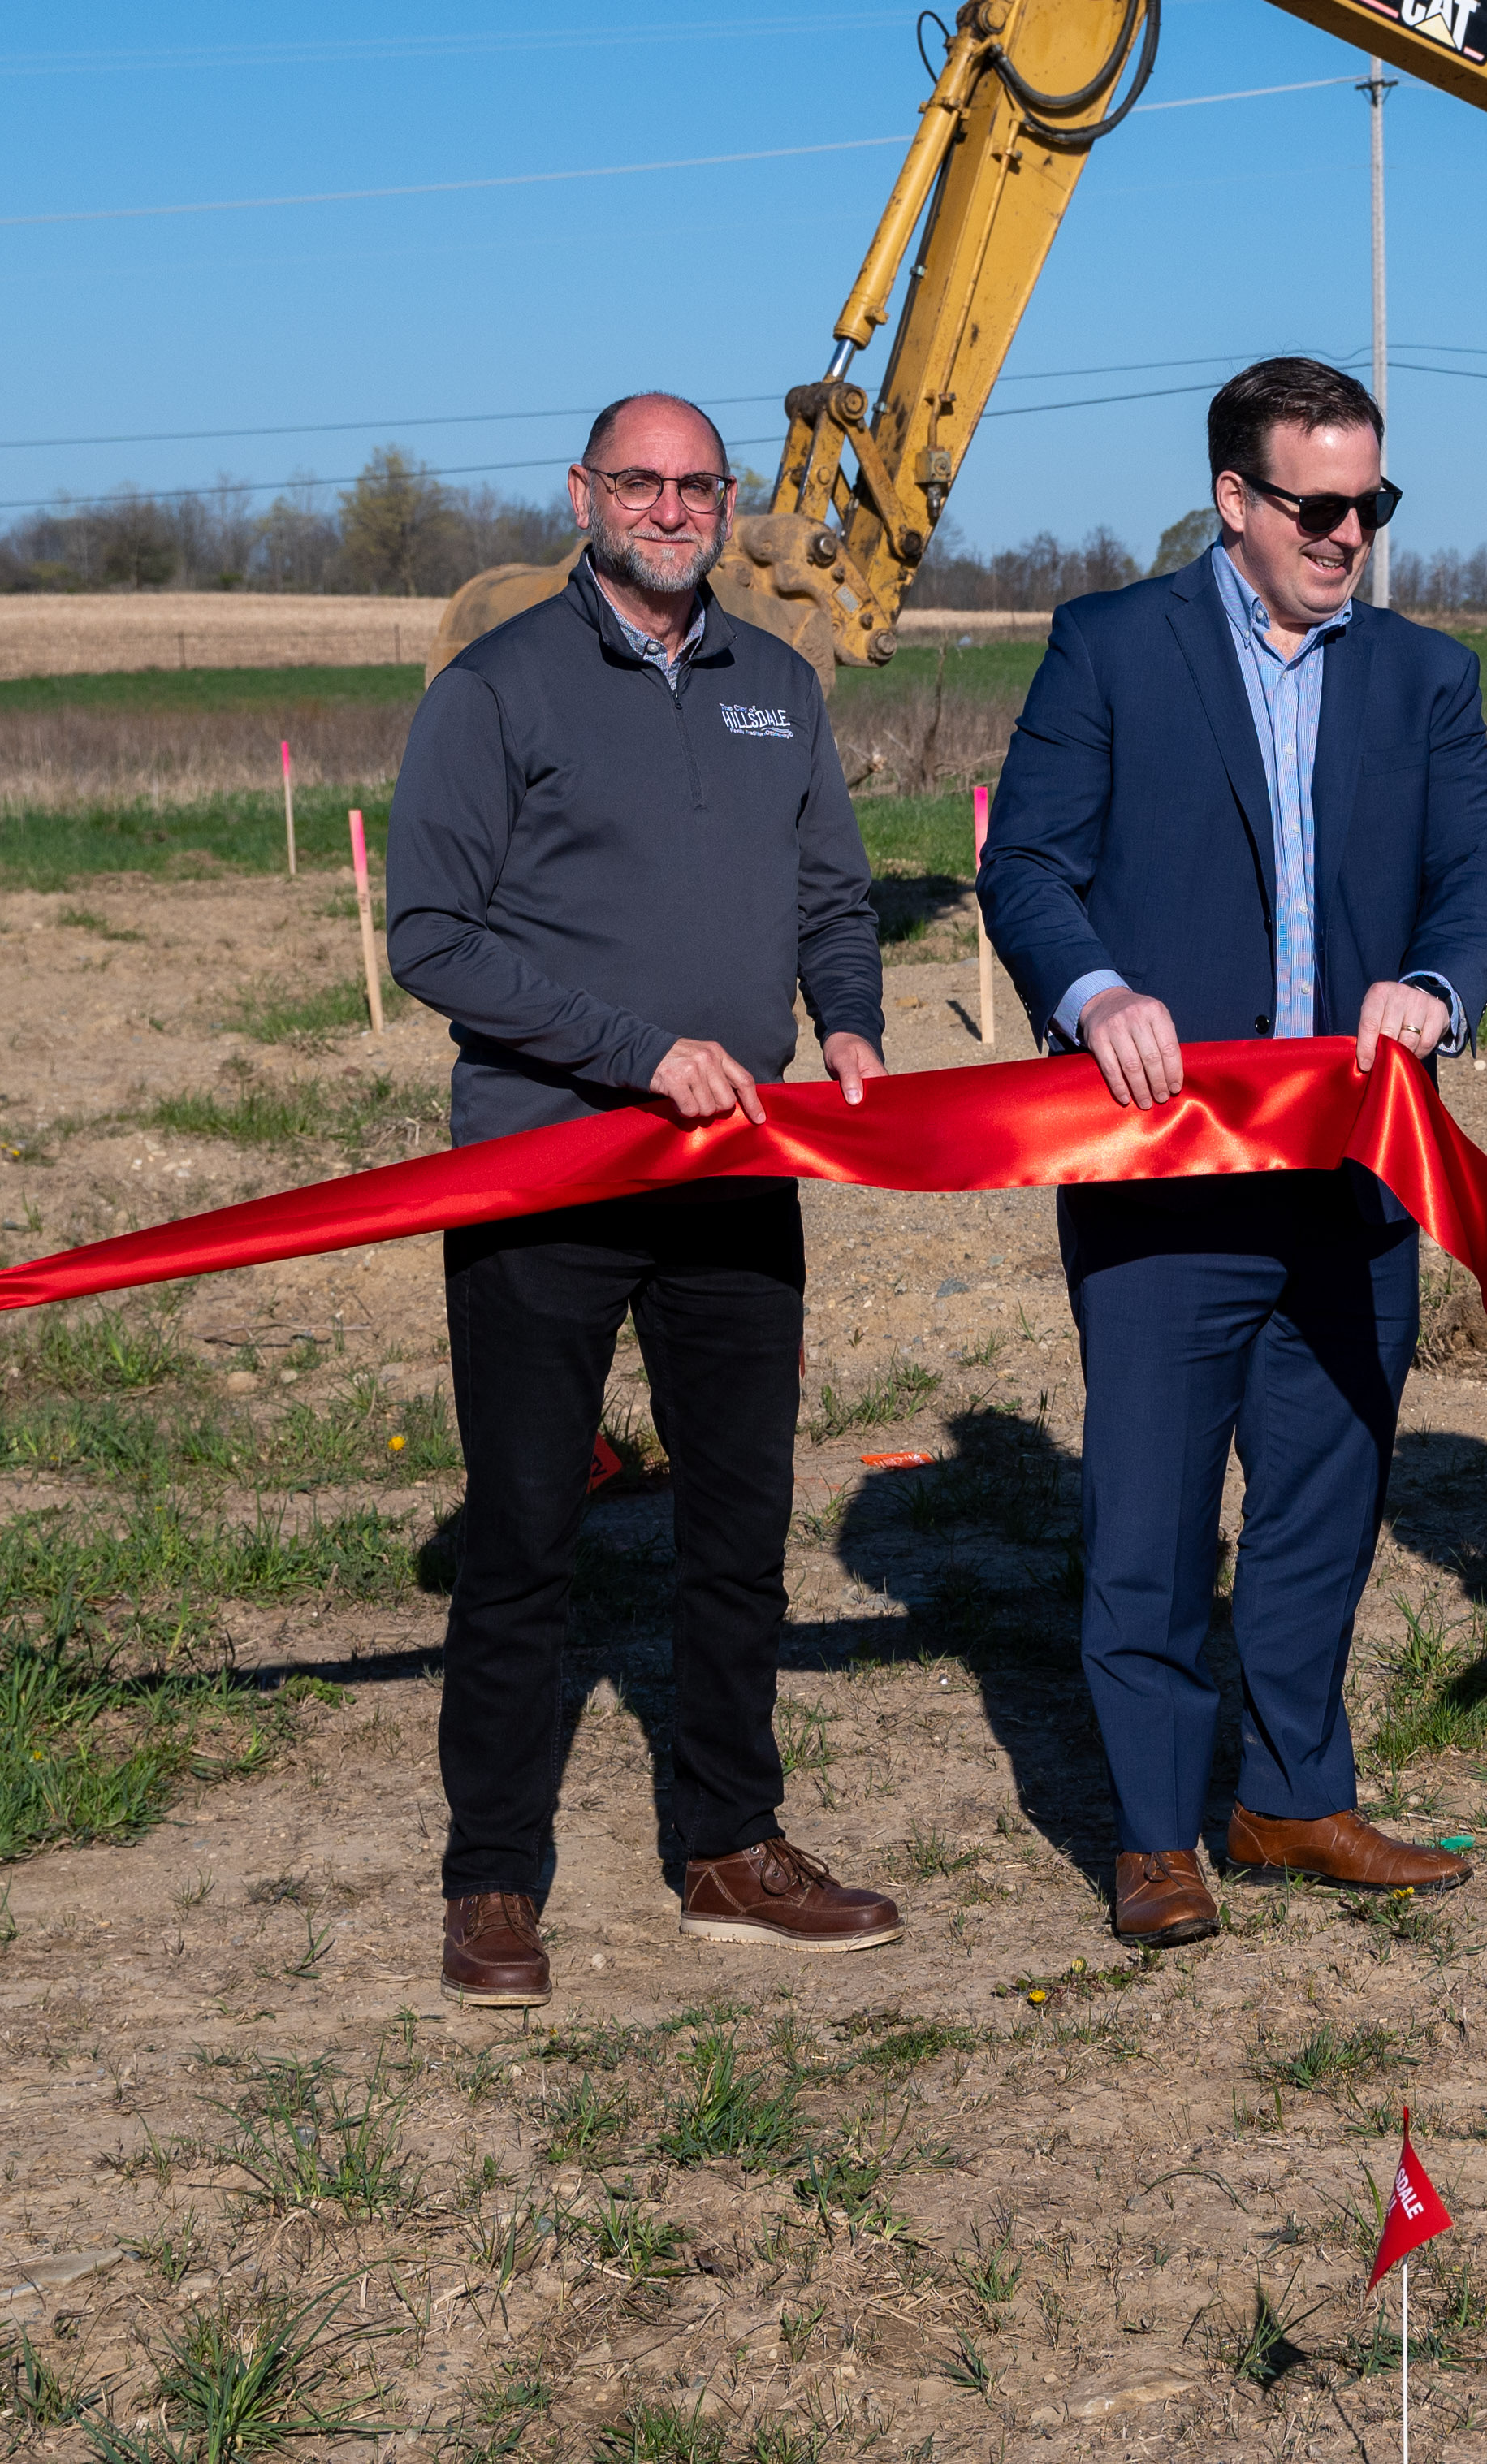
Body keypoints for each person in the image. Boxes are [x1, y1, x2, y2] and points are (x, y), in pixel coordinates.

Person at [978, 356, 1487, 1952]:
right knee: (1147, 1514)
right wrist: (1094, 992)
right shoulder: (1111, 647)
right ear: (1234, 498)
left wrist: (1433, 987)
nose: (1349, 533)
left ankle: (1291, 1792)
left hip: (1354, 1182)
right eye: (1319, 504)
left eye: (1373, 503)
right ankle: (1154, 1835)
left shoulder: (1427, 676)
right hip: (1162, 1175)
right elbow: (1029, 871)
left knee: (1322, 1501)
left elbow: (1478, 877)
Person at [387, 390, 904, 2011]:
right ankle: (491, 1879)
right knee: (529, 1527)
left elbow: (830, 887)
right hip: (549, 1158)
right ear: (584, 494)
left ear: (728, 502)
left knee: (740, 1517)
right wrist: (632, 1052)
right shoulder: (496, 686)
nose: (670, 509)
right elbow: (433, 937)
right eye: (639, 482)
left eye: (695, 485)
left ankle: (730, 1847)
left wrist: (855, 1021)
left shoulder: (780, 686)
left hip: (736, 1158)